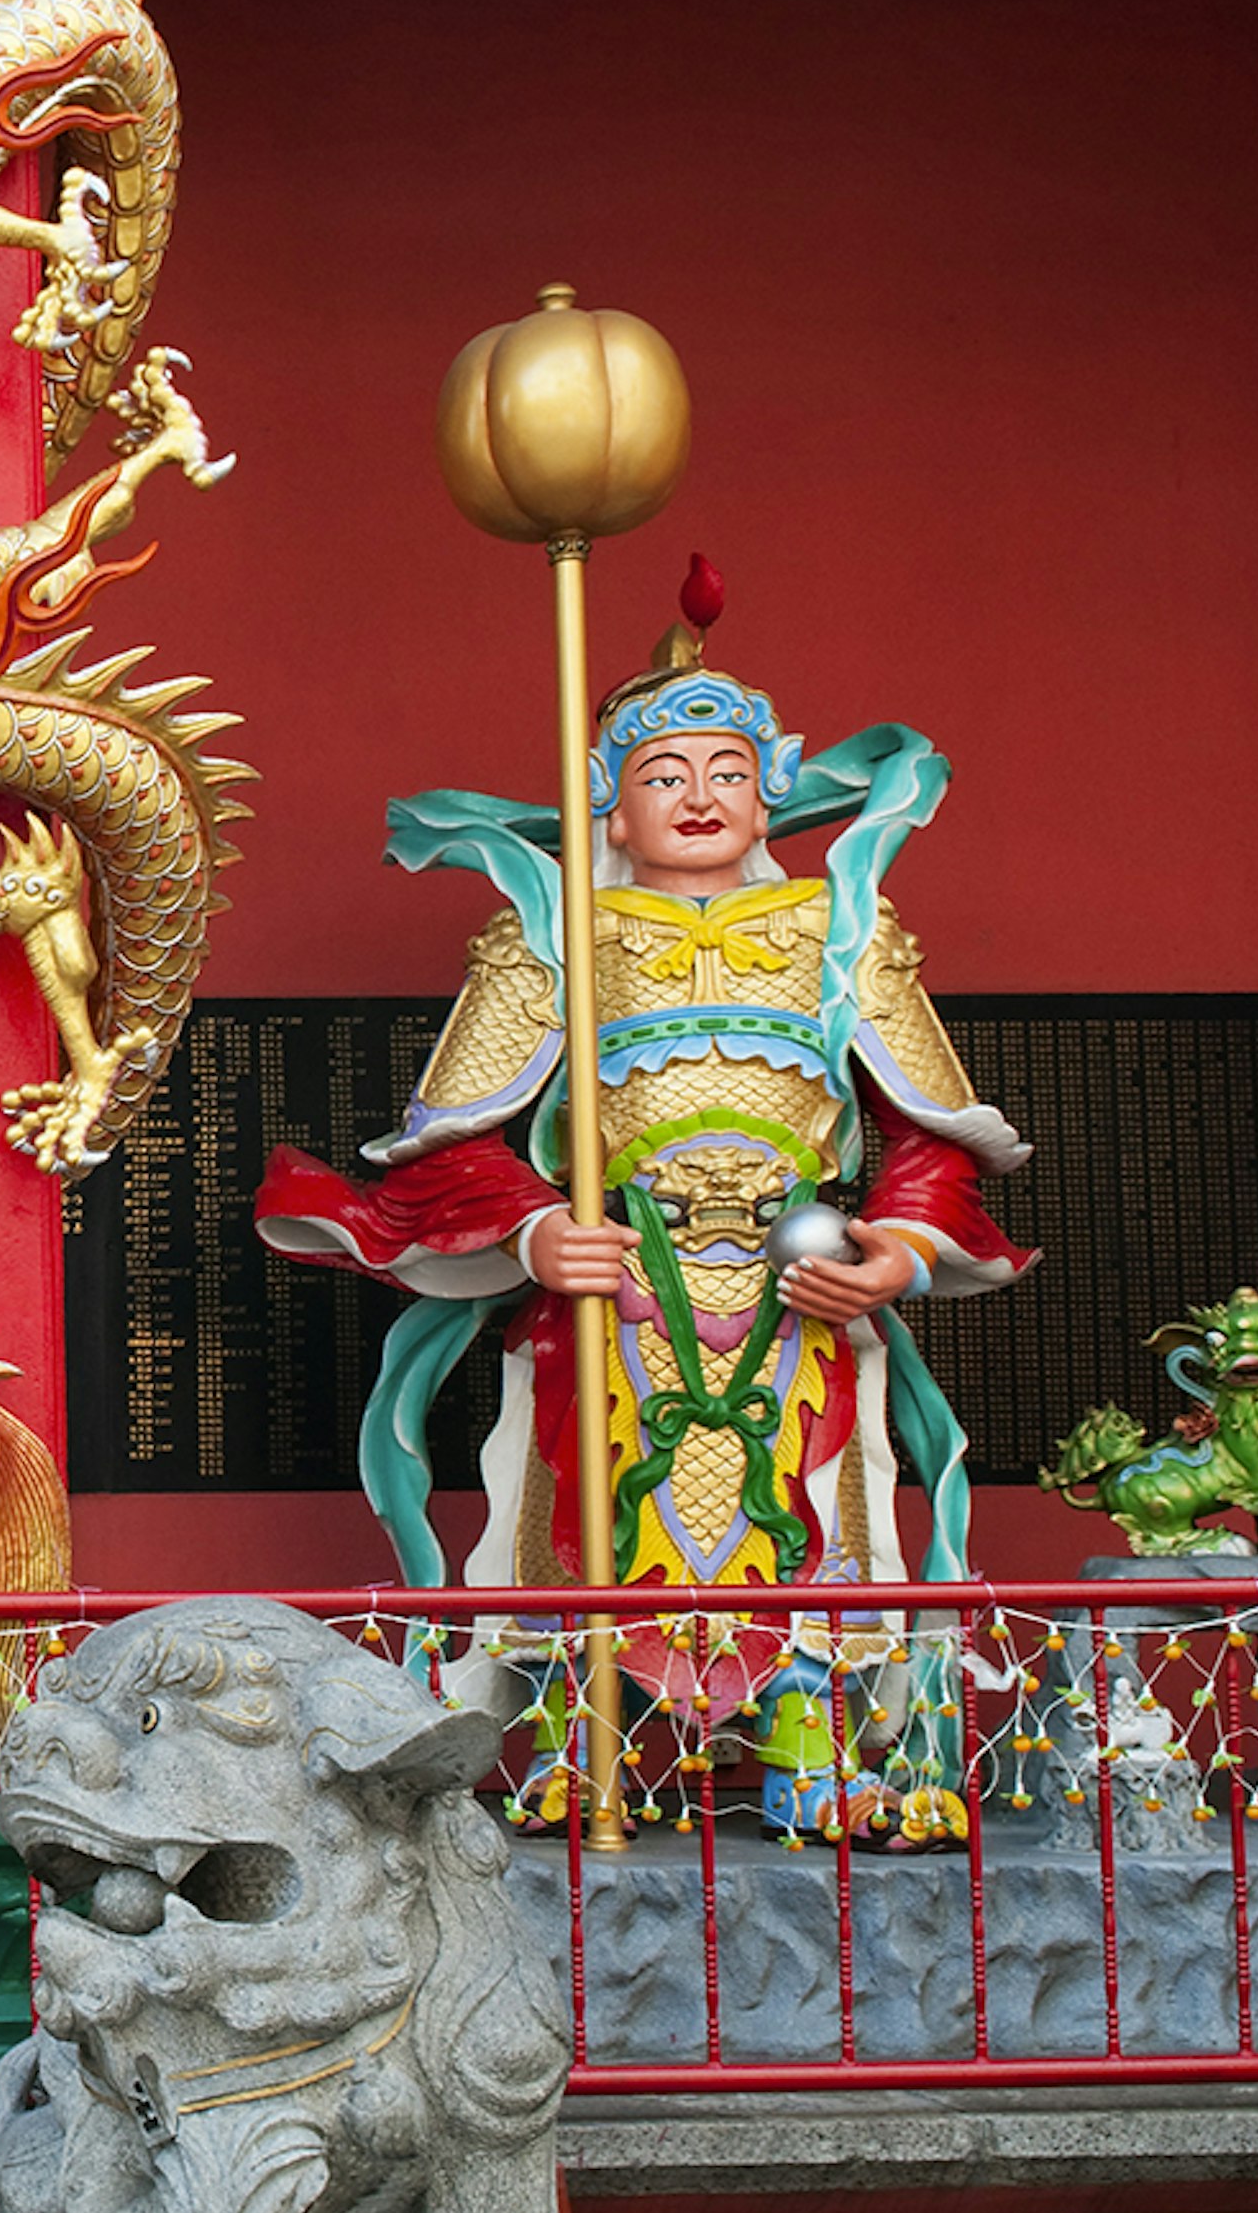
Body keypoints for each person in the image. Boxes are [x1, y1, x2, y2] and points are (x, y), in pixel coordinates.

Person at [255, 576, 1031, 1824]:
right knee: (582, 1497)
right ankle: (580, 1736)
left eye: (727, 767)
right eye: (664, 772)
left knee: (815, 1502)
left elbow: (930, 1136)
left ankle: (810, 1747)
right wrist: (536, 1228)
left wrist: (899, 1251)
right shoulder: (552, 936)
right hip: (619, 1281)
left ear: (769, 788)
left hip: (799, 1288)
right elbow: (444, 1144)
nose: (700, 794)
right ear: (610, 797)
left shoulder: (844, 930)